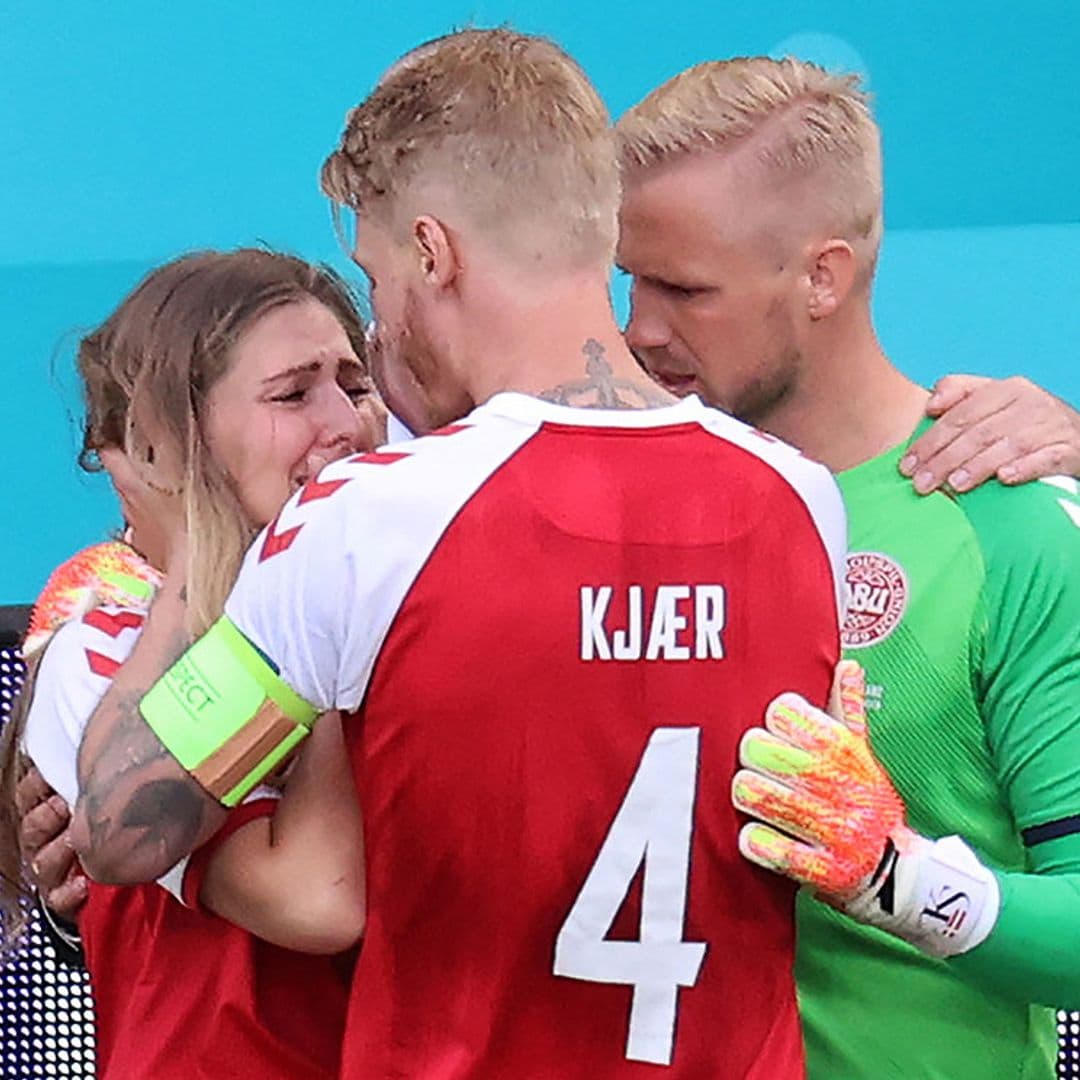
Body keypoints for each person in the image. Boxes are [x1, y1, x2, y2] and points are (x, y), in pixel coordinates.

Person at [67, 30, 848, 1078]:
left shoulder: (368, 519)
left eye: (377, 273)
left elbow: (126, 828)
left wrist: (175, 531)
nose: (381, 317)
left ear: (432, 253)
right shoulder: (801, 499)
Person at [615, 56, 1080, 1078]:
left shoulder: (1008, 524)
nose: (641, 329)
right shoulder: (624, 503)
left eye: (686, 289)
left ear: (823, 276)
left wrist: (894, 879)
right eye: (630, 278)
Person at [0, 248, 381, 1078]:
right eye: (293, 394)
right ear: (164, 444)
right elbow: (316, 899)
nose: (346, 423)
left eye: (356, 384)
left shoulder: (413, 614)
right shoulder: (99, 656)